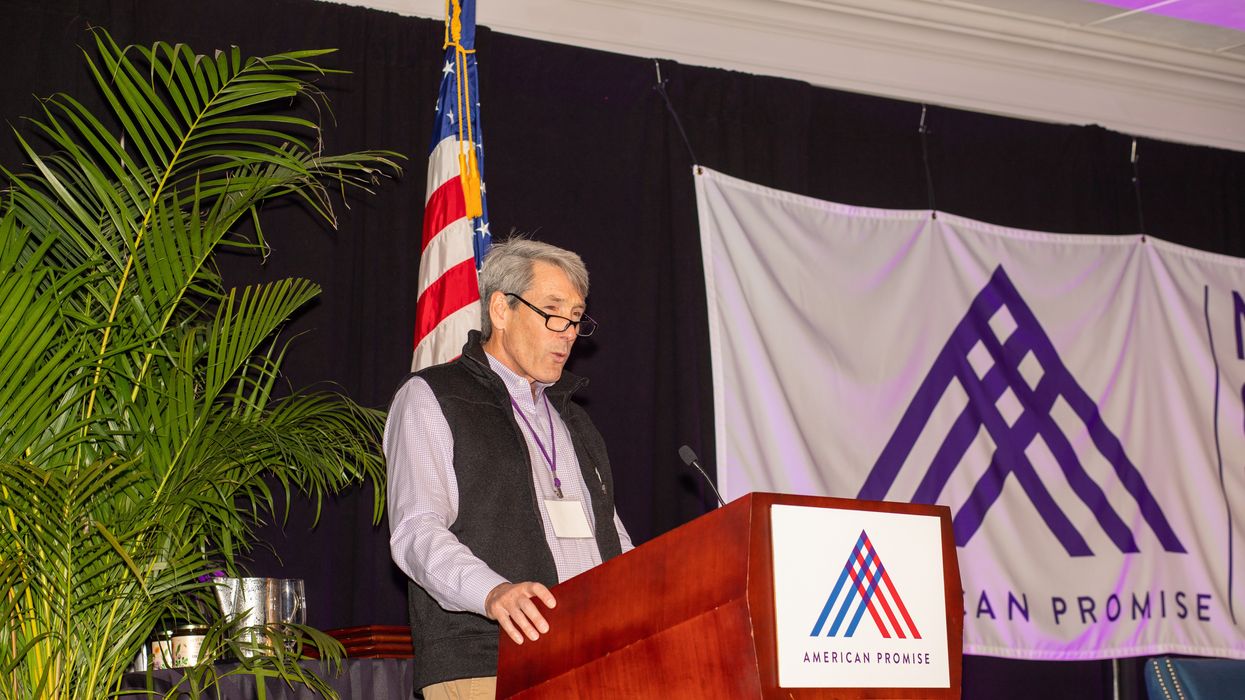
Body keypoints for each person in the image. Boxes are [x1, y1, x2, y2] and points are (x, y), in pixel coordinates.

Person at [385, 238, 634, 700]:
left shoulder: (574, 421)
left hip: (595, 659)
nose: (568, 332)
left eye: (576, 318)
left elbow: (613, 538)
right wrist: (493, 592)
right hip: (489, 662)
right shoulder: (434, 396)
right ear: (501, 309)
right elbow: (416, 530)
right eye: (553, 313)